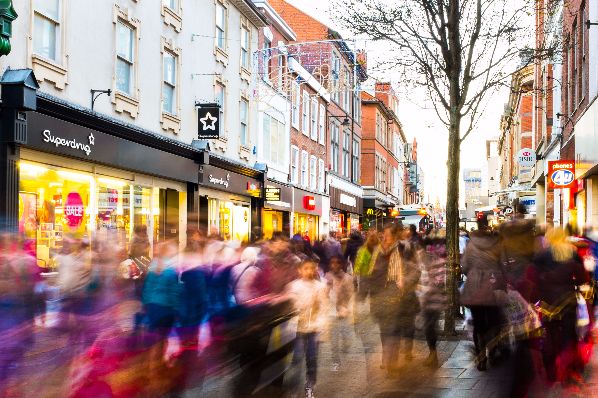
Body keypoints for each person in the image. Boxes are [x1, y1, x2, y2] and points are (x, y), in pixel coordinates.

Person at [527, 227, 588, 385]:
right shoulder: (572, 253)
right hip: (568, 300)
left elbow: (532, 278)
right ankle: (568, 370)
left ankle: (551, 372)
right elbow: (582, 279)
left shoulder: (541, 256)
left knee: (549, 335)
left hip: (547, 302)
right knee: (569, 335)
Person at [369, 223, 420, 374]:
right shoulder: (377, 250)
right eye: (383, 235)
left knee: (393, 329)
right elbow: (370, 272)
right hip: (379, 294)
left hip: (397, 294)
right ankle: (387, 357)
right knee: (384, 329)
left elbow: (416, 270)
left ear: (396, 236)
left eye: (388, 235)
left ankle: (392, 362)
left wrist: (405, 282)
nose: (385, 238)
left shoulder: (405, 249)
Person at [460, 214, 506, 371]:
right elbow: (503, 264)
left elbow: (464, 266)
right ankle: (493, 351)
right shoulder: (496, 243)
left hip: (475, 288)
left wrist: (473, 274)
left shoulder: (471, 245)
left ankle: (481, 358)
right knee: (494, 321)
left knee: (478, 323)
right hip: (493, 286)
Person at [287, 259, 328, 398]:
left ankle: (310, 386)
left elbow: (324, 309)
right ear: (300, 270)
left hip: (313, 329)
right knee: (296, 359)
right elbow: (290, 307)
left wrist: (321, 327)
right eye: (306, 268)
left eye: (312, 268)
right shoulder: (293, 287)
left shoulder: (320, 287)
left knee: (312, 358)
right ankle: (293, 388)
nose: (309, 271)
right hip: (297, 329)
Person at [421, 231, 448, 368]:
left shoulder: (433, 260)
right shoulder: (440, 259)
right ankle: (433, 354)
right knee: (430, 326)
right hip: (435, 298)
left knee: (429, 327)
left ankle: (433, 354)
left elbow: (435, 280)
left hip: (431, 298)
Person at [325, 256, 354, 371]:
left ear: (341, 265)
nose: (334, 265)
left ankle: (346, 346)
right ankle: (335, 361)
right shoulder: (327, 276)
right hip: (332, 312)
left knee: (346, 334)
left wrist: (344, 306)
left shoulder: (347, 278)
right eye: (332, 263)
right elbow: (324, 293)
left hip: (343, 310)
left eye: (337, 263)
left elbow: (350, 293)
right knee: (333, 338)